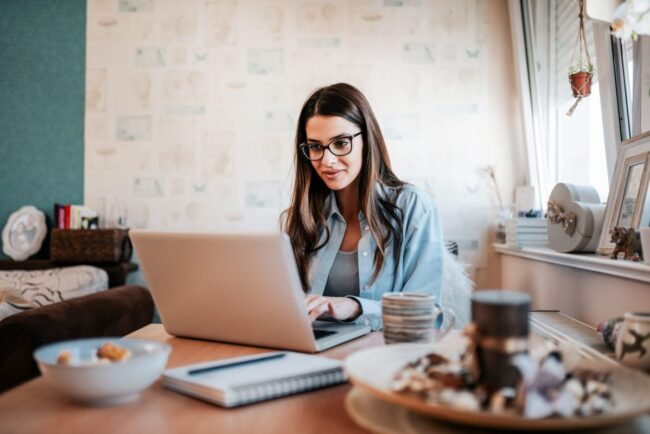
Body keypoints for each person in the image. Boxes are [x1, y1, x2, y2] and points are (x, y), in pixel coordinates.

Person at [281, 83, 444, 331]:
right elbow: (291, 305)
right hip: (315, 351)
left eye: (341, 143)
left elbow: (426, 312)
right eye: (315, 146)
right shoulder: (302, 216)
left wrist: (356, 307)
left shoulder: (413, 207)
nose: (328, 160)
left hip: (385, 356)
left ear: (367, 140)